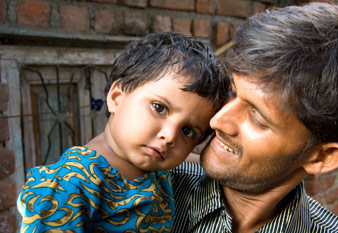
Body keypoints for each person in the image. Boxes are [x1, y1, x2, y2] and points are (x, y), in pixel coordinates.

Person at [171, 1, 338, 233]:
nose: (217, 121)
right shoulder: (149, 188)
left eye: (258, 119)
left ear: (323, 157)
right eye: (231, 91)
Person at [17, 32, 229, 232]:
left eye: (187, 130)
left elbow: (191, 159)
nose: (170, 136)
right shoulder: (71, 186)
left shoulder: (154, 166)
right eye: (159, 108)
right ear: (116, 97)